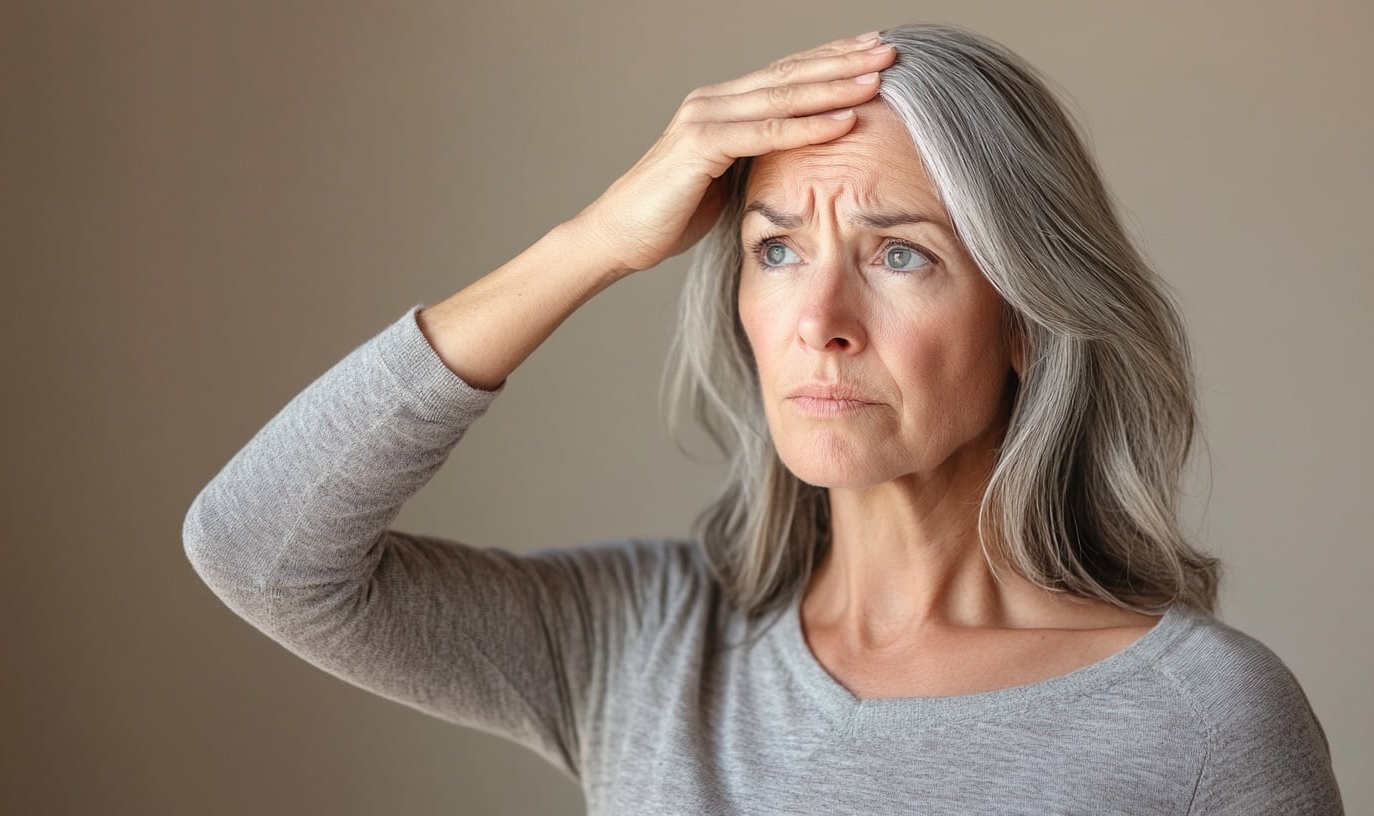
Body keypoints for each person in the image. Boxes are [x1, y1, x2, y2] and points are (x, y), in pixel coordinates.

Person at [183, 22, 1343, 814]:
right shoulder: (642, 643)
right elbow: (260, 550)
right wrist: (591, 244)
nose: (819, 319)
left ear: (1025, 316)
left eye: (899, 253)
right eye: (776, 249)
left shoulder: (1201, 720)